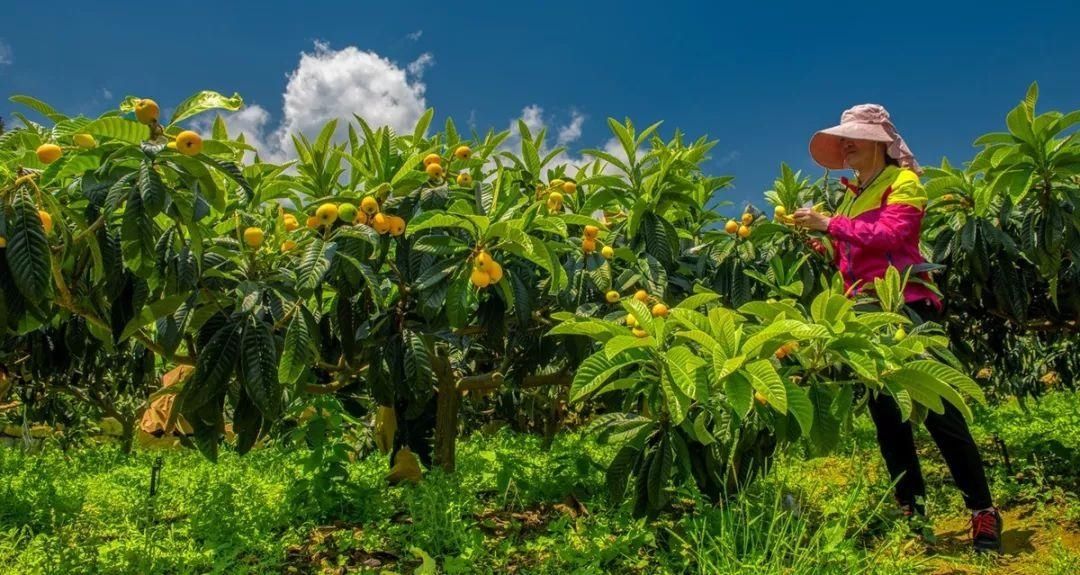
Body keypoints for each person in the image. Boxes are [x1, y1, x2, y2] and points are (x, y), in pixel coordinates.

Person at [793, 104, 1003, 553]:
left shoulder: (904, 184)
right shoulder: (852, 195)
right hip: (866, 314)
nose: (846, 144)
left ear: (881, 142)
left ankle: (982, 511)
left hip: (906, 309)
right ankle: (912, 512)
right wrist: (825, 244)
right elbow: (854, 257)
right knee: (888, 418)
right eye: (843, 137)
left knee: (940, 413)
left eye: (855, 136)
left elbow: (893, 238)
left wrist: (829, 223)